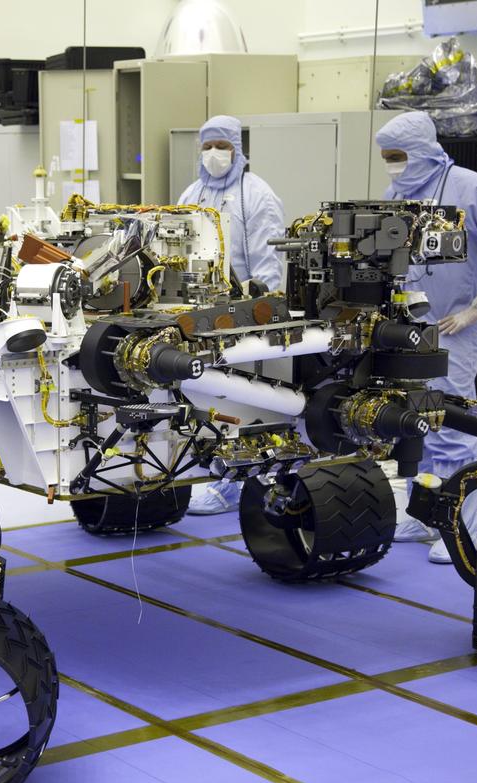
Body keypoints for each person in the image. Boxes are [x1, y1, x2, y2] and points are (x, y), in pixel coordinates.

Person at [377, 111, 477, 564]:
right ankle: (423, 512)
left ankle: (459, 522)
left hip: (454, 327)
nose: (393, 165)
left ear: (423, 150)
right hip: (405, 327)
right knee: (410, 420)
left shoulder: (470, 187)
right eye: (386, 157)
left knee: (450, 421)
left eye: (399, 156)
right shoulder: (395, 194)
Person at [179, 115, 286, 515]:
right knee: (207, 395)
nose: (213, 154)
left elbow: (267, 258)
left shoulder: (255, 195)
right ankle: (218, 474)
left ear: (237, 150)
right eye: (206, 146)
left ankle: (238, 485)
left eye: (220, 146)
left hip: (244, 313)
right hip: (201, 312)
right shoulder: (193, 192)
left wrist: (261, 307)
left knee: (244, 395)